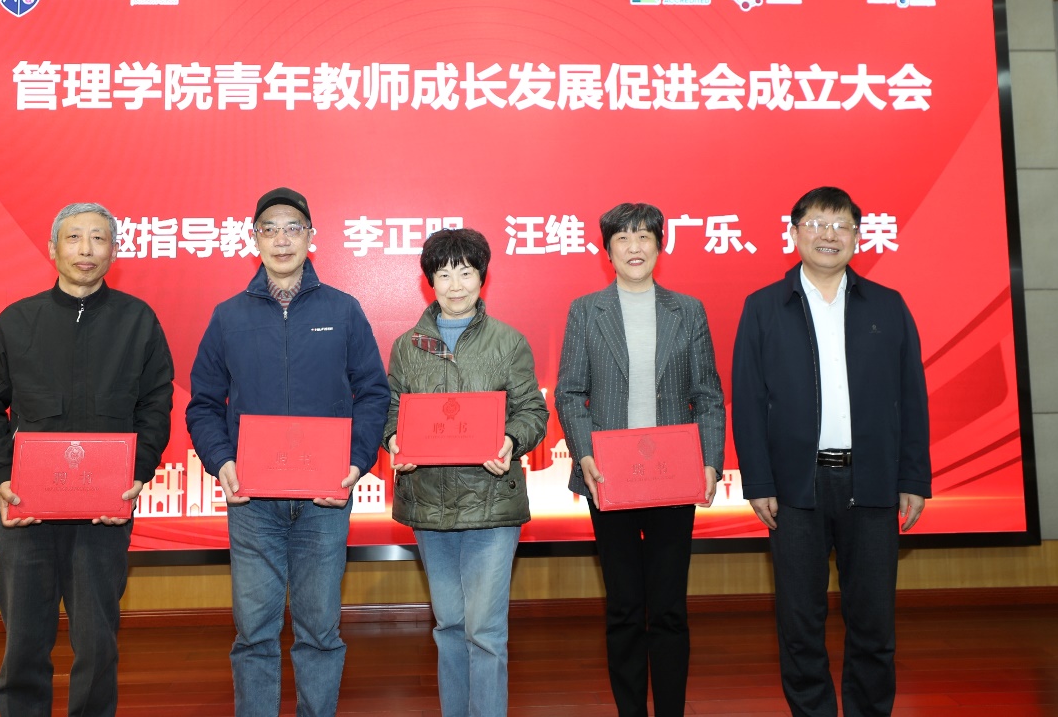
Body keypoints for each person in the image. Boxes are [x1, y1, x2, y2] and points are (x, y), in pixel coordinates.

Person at [0, 202, 174, 717]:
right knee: (23, 647)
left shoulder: (138, 322)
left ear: (114, 251)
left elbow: (155, 407)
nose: (86, 249)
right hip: (25, 513)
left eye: (98, 239)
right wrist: (3, 477)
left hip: (103, 515)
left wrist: (136, 474)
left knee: (98, 646)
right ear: (53, 248)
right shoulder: (17, 321)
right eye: (74, 237)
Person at [185, 186, 390, 717]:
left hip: (325, 499)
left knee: (319, 630)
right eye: (269, 229)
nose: (281, 239)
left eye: (292, 228)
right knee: (254, 632)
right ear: (254, 239)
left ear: (311, 237)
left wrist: (356, 462)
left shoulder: (343, 310)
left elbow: (373, 393)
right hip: (253, 501)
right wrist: (222, 462)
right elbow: (203, 404)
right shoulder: (229, 316)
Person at [731, 186, 931, 717]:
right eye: (817, 224)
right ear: (794, 233)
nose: (829, 235)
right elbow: (747, 402)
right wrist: (759, 482)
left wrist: (913, 478)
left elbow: (911, 397)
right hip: (796, 487)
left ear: (858, 237)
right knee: (800, 621)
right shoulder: (763, 307)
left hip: (874, 483)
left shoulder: (887, 306)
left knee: (873, 622)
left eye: (841, 226)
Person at [554, 202, 725, 717]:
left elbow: (708, 394)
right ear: (606, 251)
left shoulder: (687, 310)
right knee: (625, 606)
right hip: (610, 477)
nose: (634, 247)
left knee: (669, 607)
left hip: (673, 478)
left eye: (644, 237)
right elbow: (570, 392)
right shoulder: (587, 310)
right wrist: (585, 454)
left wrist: (710, 461)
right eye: (623, 239)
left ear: (659, 245)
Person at [383, 228, 549, 717]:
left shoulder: (508, 342)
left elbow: (532, 412)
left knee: (486, 631)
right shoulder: (407, 346)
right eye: (443, 273)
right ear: (429, 281)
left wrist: (511, 439)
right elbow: (390, 412)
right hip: (429, 504)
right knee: (450, 626)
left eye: (466, 272)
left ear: (482, 277)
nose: (455, 285)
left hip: (491, 501)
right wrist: (394, 441)